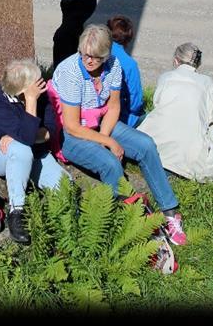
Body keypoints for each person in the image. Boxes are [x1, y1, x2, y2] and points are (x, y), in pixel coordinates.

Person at [51, 23, 187, 246]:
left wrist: (105, 137)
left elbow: (113, 107)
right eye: (85, 55)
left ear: (106, 55)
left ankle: (170, 212)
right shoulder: (70, 72)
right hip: (71, 134)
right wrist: (108, 142)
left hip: (100, 122)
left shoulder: (113, 65)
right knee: (110, 165)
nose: (89, 61)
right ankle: (134, 225)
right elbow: (72, 126)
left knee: (146, 145)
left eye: (95, 57)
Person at [0, 58, 66, 245]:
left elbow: (50, 131)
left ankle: (63, 227)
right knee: (21, 150)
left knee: (65, 186)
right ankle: (16, 212)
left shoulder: (41, 95)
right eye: (35, 85)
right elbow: (28, 138)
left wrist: (18, 135)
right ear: (23, 91)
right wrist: (31, 103)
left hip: (32, 149)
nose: (42, 85)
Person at [138, 42, 213, 181]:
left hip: (158, 152)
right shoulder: (207, 82)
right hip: (191, 161)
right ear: (198, 64)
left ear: (176, 60)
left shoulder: (165, 77)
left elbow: (158, 104)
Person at [106, 15, 145, 127]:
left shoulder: (98, 52)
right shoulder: (129, 64)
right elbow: (135, 103)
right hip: (122, 117)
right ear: (129, 38)